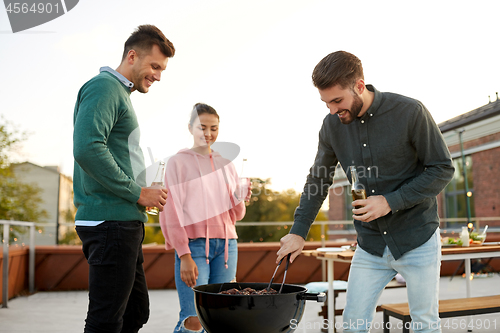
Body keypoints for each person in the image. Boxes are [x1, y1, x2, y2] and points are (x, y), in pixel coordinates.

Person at [277, 51, 454, 333]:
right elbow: (318, 179)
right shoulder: (331, 125)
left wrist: (389, 202)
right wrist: (299, 232)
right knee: (352, 326)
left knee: (424, 325)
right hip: (369, 245)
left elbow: (442, 168)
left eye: (337, 101)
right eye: (326, 103)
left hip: (417, 238)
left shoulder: (410, 112)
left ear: (359, 86)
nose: (332, 110)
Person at [73, 25, 175, 333]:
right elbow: (88, 148)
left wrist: (145, 186)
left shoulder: (120, 94)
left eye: (162, 69)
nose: (158, 75)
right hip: (109, 223)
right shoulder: (104, 87)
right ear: (132, 56)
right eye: (155, 66)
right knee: (106, 321)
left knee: (135, 313)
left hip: (122, 222)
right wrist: (137, 192)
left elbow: (109, 153)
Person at [159, 103, 249, 333]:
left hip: (227, 246)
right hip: (194, 247)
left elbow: (236, 214)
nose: (208, 134)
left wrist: (241, 196)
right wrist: (184, 254)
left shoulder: (225, 164)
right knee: (194, 318)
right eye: (202, 128)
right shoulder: (177, 163)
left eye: (214, 128)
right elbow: (170, 209)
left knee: (220, 318)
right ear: (190, 128)